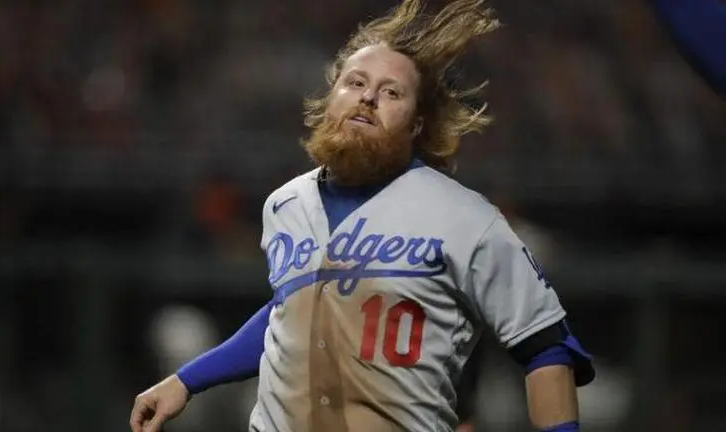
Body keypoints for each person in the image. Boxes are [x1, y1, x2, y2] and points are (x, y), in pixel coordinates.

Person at [129, 1, 595, 431]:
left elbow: (545, 345)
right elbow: (290, 314)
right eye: (354, 83)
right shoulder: (285, 204)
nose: (368, 97)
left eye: (391, 92)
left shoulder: (466, 218)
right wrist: (186, 380)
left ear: (416, 125)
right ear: (330, 99)